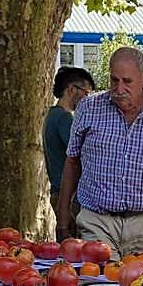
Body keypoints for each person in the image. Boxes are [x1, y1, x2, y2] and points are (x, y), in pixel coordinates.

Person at [57, 48, 143, 259]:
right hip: (97, 220)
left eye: (127, 81)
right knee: (99, 284)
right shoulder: (89, 108)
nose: (119, 89)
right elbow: (72, 161)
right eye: (114, 80)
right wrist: (63, 213)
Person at [43, 66, 95, 222]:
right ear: (72, 89)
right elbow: (82, 153)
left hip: (59, 192)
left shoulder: (52, 115)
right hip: (68, 195)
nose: (88, 98)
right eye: (86, 93)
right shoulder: (64, 119)